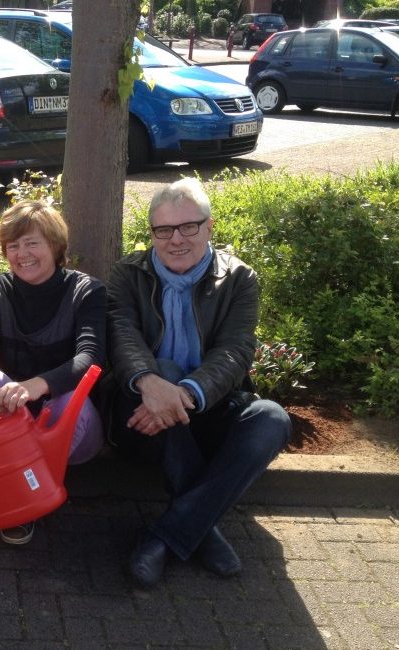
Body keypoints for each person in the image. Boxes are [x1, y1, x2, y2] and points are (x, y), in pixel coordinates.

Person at [106, 177, 290, 588]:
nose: (176, 239)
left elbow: (235, 351)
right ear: (152, 233)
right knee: (166, 370)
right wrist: (150, 382)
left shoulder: (240, 279)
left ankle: (166, 535)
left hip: (207, 407)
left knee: (272, 419)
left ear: (209, 226)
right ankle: (201, 531)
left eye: (188, 226)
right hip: (139, 415)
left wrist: (185, 394)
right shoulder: (127, 274)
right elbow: (122, 333)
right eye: (164, 230)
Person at [0, 200, 107, 545]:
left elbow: (90, 356)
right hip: (10, 423)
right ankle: (19, 504)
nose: (22, 254)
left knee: (63, 402)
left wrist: (38, 386)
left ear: (55, 245)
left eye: (32, 243)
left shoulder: (86, 292)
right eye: (13, 245)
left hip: (71, 428)